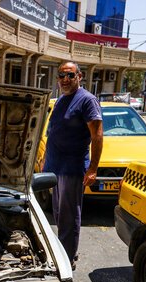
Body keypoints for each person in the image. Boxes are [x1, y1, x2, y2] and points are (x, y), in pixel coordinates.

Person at [42, 61, 103, 270]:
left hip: (72, 167)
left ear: (79, 76)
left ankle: (67, 260)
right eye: (61, 76)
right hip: (55, 165)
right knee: (58, 214)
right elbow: (53, 132)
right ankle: (65, 250)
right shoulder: (60, 99)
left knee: (69, 216)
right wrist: (44, 159)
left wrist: (93, 168)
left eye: (70, 75)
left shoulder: (87, 100)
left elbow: (97, 135)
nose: (65, 80)